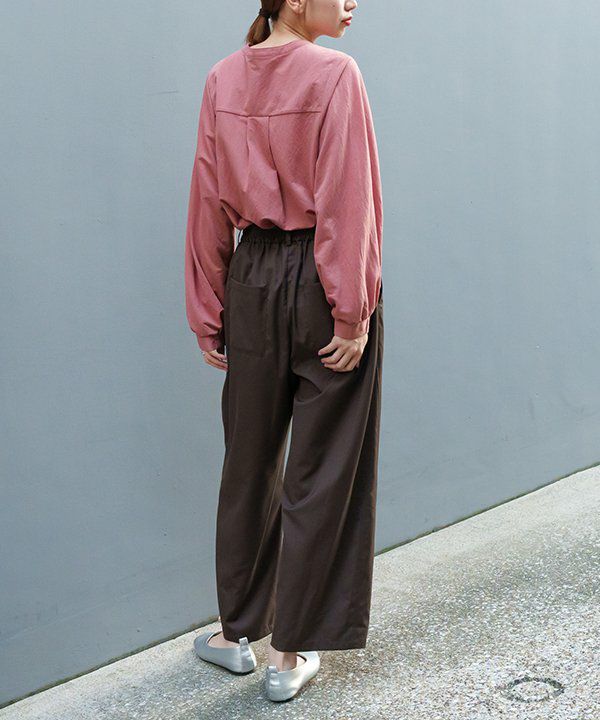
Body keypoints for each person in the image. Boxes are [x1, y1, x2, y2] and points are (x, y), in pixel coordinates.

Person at [184, 0, 384, 702]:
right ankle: (288, 654)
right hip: (320, 282)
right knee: (321, 468)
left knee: (249, 460)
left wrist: (208, 309)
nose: (353, 2)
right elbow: (347, 200)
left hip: (250, 276)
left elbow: (207, 198)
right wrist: (351, 312)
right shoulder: (335, 74)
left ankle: (235, 635)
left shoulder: (222, 78)